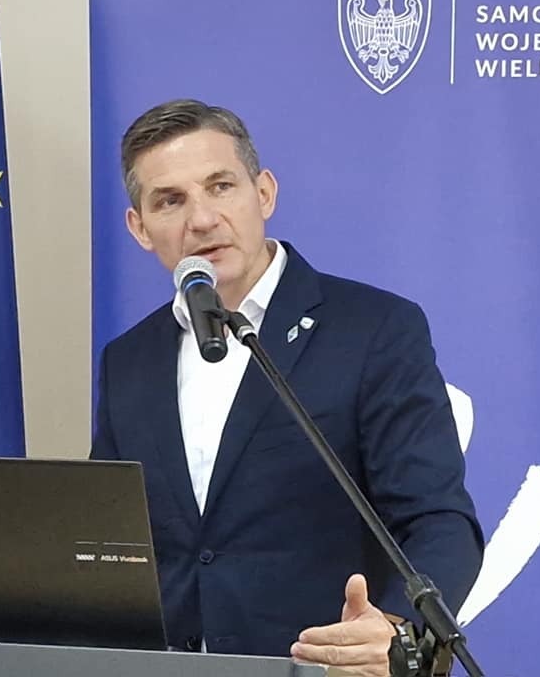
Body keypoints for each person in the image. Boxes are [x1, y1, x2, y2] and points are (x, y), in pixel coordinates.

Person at [90, 99, 483, 676]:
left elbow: (440, 521)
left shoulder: (373, 329)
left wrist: (398, 630)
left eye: (220, 186)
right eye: (170, 201)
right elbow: (110, 542)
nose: (201, 219)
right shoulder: (128, 360)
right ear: (140, 228)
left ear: (264, 193)